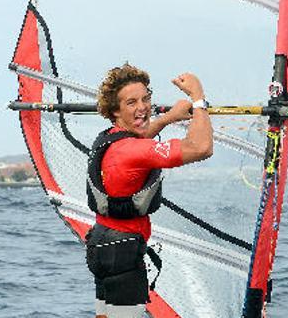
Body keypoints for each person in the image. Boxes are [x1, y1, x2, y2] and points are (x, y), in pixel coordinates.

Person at [85, 63, 213, 318]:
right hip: (121, 252)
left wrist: (168, 118)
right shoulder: (133, 150)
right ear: (115, 110)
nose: (142, 107)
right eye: (131, 102)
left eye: (146, 98)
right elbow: (201, 147)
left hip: (103, 244)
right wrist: (198, 99)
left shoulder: (113, 139)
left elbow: (140, 138)